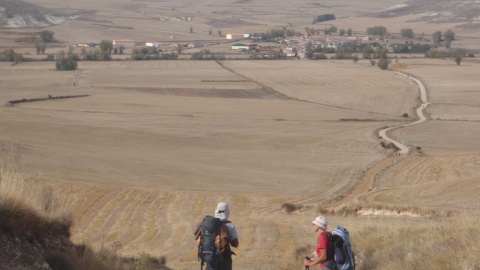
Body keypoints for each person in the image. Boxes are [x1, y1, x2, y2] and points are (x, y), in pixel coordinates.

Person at [195, 202, 239, 270]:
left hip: (209, 257)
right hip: (224, 259)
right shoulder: (229, 225)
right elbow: (235, 244)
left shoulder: (206, 225)